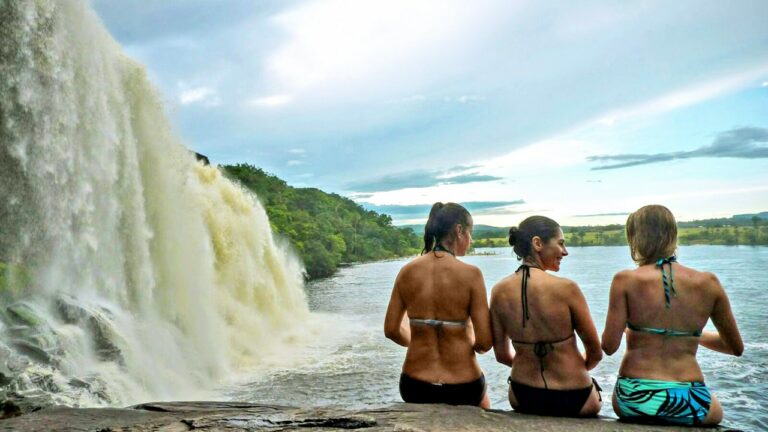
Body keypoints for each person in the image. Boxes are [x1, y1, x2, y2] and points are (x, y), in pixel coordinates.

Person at [602, 205, 743, 426]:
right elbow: (735, 348)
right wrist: (690, 335)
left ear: (635, 239)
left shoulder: (625, 280)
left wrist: (635, 329)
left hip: (634, 398)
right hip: (690, 401)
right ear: (673, 236)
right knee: (714, 409)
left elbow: (609, 346)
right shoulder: (708, 282)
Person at [490, 215, 603, 417]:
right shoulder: (567, 288)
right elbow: (595, 353)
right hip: (576, 395)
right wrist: (573, 369)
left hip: (523, 395)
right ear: (537, 243)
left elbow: (501, 356)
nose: (565, 252)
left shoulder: (499, 291)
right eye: (560, 244)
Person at [384, 202, 492, 408]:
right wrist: (466, 342)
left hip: (414, 385)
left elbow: (390, 330)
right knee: (484, 406)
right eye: (470, 233)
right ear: (459, 230)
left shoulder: (407, 271)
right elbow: (485, 343)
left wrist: (419, 341)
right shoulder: (471, 275)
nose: (471, 240)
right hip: (464, 386)